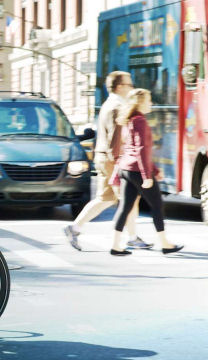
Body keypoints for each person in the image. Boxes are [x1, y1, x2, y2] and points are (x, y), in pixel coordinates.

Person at [63, 71, 151, 251]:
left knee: (105, 198)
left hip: (104, 157)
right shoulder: (118, 106)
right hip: (113, 159)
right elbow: (116, 137)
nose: (131, 88)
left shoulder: (108, 103)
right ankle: (131, 237)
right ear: (120, 87)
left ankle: (74, 228)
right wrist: (120, 161)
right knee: (130, 198)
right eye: (129, 85)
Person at [108, 88, 183, 256]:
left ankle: (115, 245)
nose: (151, 103)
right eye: (149, 100)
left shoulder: (130, 120)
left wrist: (154, 170)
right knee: (157, 205)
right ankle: (165, 243)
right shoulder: (140, 121)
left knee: (125, 207)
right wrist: (146, 176)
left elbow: (135, 149)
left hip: (126, 169)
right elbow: (141, 149)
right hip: (136, 170)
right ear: (140, 102)